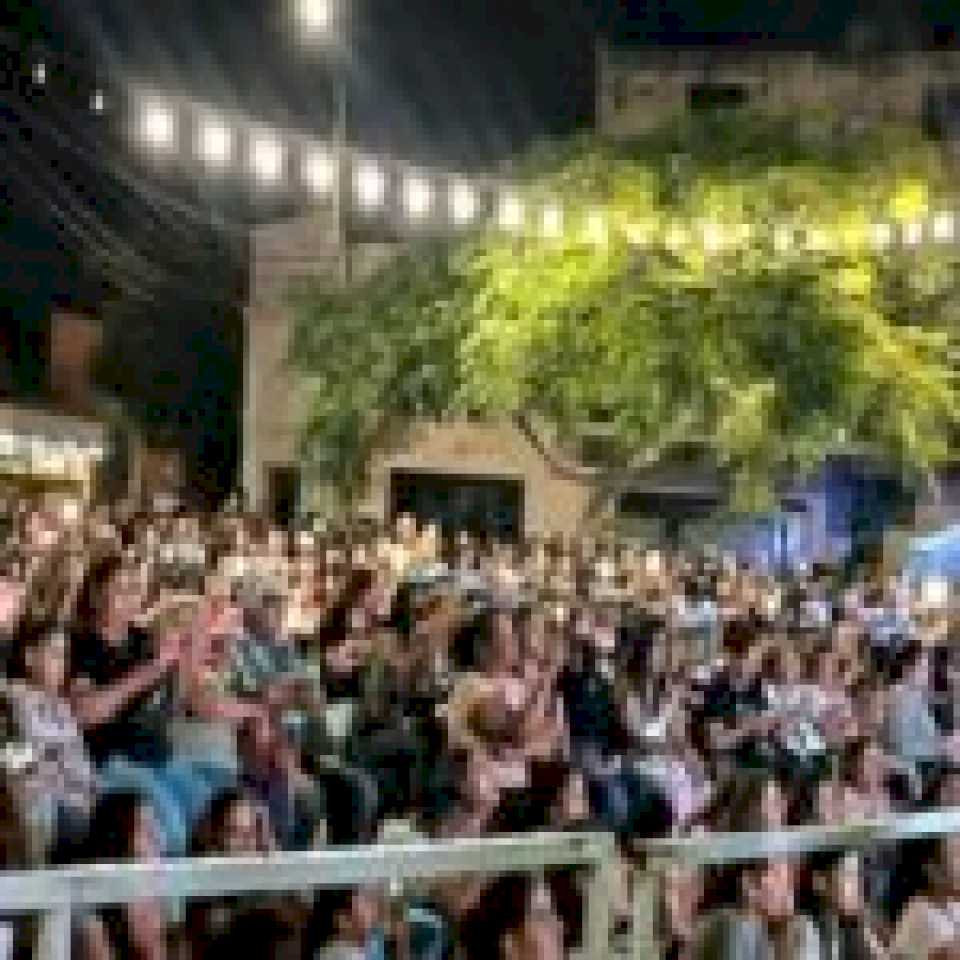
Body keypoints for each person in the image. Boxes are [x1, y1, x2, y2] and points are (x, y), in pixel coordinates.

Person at [74, 792, 169, 960]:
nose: (156, 838)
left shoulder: (158, 895)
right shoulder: (92, 921)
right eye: (145, 829)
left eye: (155, 827)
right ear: (118, 838)